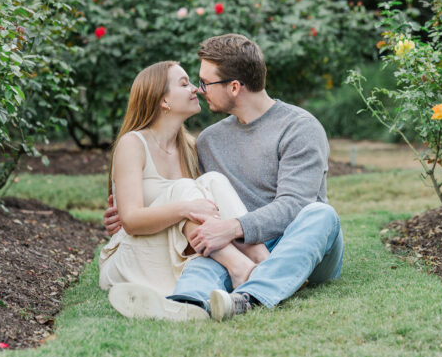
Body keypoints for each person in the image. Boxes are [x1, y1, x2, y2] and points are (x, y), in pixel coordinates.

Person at [106, 34, 343, 322]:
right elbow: (194, 200)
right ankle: (187, 304)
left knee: (322, 214)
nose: (199, 89)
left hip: (299, 243)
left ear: (233, 87)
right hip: (242, 245)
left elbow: (294, 206)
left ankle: (250, 295)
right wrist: (129, 211)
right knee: (208, 251)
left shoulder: (299, 128)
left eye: (205, 82)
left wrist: (232, 228)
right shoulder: (208, 141)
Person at [98, 60, 270, 320]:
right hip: (132, 255)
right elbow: (131, 221)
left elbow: (207, 208)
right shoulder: (132, 144)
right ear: (163, 100)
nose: (196, 89)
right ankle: (242, 269)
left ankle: (263, 261)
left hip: (176, 250)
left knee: (213, 180)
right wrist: (184, 208)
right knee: (185, 190)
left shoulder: (190, 148)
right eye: (184, 84)